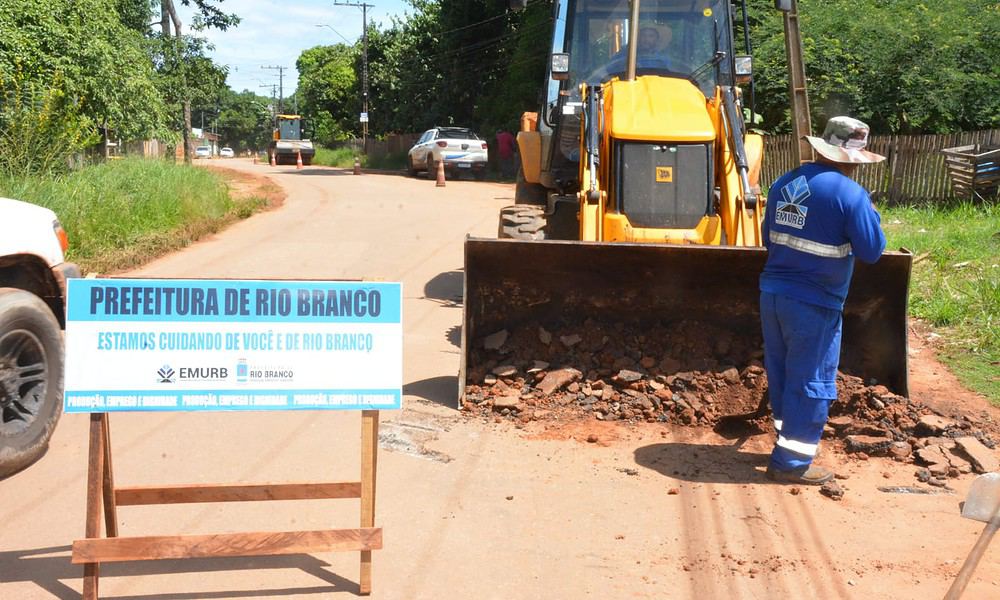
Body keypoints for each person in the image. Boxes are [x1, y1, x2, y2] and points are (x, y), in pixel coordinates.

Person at [760, 116, 887, 485]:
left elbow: (771, 238)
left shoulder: (784, 183)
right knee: (813, 379)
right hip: (815, 303)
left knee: (783, 372)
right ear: (852, 157)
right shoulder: (849, 194)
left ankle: (786, 440)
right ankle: (791, 464)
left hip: (773, 294)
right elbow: (873, 250)